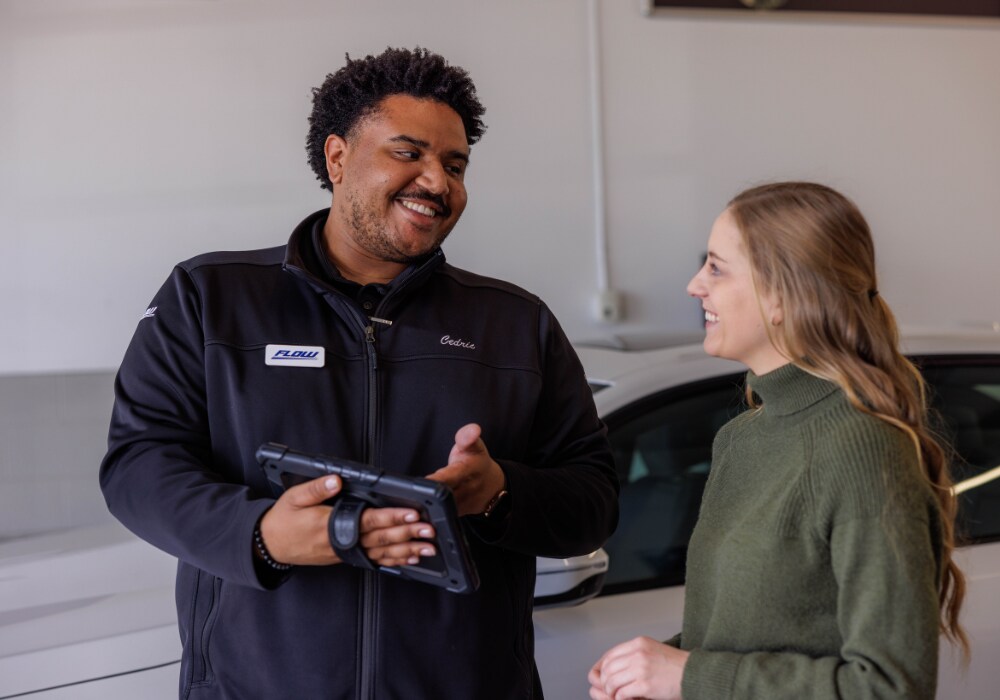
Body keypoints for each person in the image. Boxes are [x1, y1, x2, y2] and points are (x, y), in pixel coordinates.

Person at [100, 47, 619, 699]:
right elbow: (139, 466)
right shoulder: (212, 300)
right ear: (338, 158)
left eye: (454, 164)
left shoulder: (515, 324)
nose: (438, 181)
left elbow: (594, 501)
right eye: (409, 153)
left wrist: (498, 492)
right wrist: (259, 534)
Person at [588, 181, 968, 700]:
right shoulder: (740, 439)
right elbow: (743, 639)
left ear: (783, 297)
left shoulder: (865, 449)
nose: (694, 285)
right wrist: (652, 668)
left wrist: (688, 676)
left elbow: (890, 687)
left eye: (717, 268)